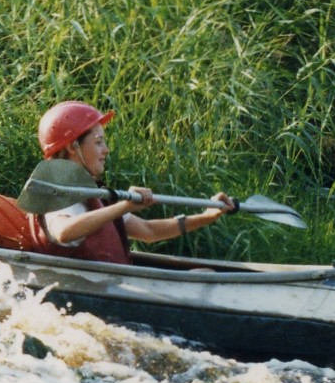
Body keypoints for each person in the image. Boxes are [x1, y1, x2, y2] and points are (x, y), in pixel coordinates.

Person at [28, 101, 236, 264]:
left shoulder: (95, 194)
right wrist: (124, 206)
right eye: (98, 142)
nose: (106, 150)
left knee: (204, 271)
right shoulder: (56, 191)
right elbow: (63, 232)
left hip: (108, 287)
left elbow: (149, 231)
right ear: (74, 147)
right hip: (86, 292)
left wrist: (206, 216)